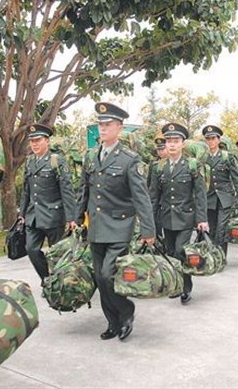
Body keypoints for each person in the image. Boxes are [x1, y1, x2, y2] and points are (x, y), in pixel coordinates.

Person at [76, 102, 155, 341]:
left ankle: (126, 311)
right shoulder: (90, 156)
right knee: (99, 277)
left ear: (119, 128)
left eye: (107, 124)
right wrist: (76, 218)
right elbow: (84, 190)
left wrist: (148, 229)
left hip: (120, 226)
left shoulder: (130, 160)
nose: (102, 128)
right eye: (100, 124)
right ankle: (112, 322)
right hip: (97, 227)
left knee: (109, 274)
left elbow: (141, 197)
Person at [150, 122, 208, 304]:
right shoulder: (159, 167)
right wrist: (151, 223)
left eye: (176, 140)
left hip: (185, 217)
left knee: (180, 251)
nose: (172, 144)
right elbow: (153, 197)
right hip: (166, 217)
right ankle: (176, 283)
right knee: (169, 251)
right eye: (169, 141)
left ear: (183, 143)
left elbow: (200, 195)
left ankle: (185, 287)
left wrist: (202, 219)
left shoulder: (192, 165)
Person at [19, 124, 77, 282]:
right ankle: (47, 279)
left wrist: (72, 217)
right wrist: (22, 214)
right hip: (33, 216)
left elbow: (67, 190)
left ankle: (60, 284)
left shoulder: (56, 161)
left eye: (38, 140)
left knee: (57, 254)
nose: (34, 144)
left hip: (53, 216)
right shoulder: (30, 161)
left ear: (47, 141)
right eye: (32, 141)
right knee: (31, 249)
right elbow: (26, 190)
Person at [202, 125, 238, 254]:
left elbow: (236, 178)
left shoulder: (227, 157)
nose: (211, 141)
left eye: (213, 138)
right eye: (208, 139)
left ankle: (221, 256)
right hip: (209, 197)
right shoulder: (203, 158)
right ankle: (213, 256)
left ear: (218, 140)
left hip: (225, 197)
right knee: (212, 228)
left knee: (222, 228)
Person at [148, 136, 168, 239]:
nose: (160, 152)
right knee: (158, 228)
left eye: (162, 149)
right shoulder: (154, 165)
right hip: (159, 203)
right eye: (158, 149)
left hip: (170, 202)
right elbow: (150, 184)